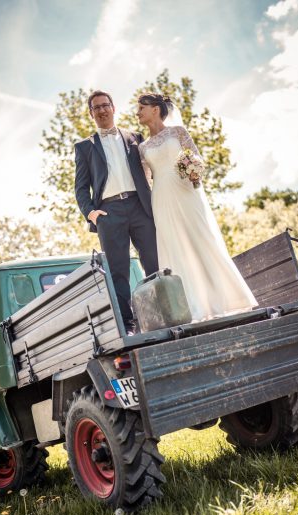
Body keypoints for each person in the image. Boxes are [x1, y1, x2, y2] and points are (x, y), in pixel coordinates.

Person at [137, 93, 257, 321]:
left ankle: (228, 299)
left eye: (141, 107)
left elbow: (196, 159)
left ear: (155, 109)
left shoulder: (178, 132)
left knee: (202, 238)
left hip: (186, 191)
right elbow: (145, 178)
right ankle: (190, 308)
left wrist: (193, 170)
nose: (137, 112)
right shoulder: (142, 148)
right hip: (161, 197)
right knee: (173, 247)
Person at [75, 90, 159, 334]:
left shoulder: (135, 137)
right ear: (91, 114)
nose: (102, 110)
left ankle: (159, 313)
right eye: (96, 108)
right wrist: (91, 213)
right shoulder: (84, 147)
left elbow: (151, 170)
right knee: (118, 270)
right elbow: (80, 188)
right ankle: (129, 324)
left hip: (140, 207)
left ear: (113, 108)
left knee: (153, 261)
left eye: (105, 105)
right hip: (108, 212)